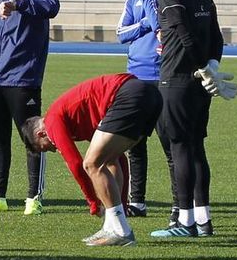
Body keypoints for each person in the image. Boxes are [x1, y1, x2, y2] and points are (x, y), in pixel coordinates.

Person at [146, 0, 229, 240]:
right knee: (196, 148)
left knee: (180, 148)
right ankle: (204, 220)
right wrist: (212, 67)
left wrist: (199, 66)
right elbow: (217, 37)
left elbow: (183, 35)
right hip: (199, 84)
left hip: (176, 81)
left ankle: (185, 220)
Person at [25, 73, 163, 247]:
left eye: (45, 146)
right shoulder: (79, 119)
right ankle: (111, 227)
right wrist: (121, 202)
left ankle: (121, 231)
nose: (52, 149)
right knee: (108, 159)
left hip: (127, 94)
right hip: (150, 94)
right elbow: (119, 160)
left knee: (92, 164)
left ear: (41, 134)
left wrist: (93, 202)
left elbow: (75, 163)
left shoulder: (52, 120)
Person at [0, 0, 59, 215]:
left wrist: (19, 5)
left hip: (23, 78)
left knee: (33, 139)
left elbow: (52, 6)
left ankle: (34, 196)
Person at [116, 0, 169, 218]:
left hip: (162, 75)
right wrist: (144, 25)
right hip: (135, 76)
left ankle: (179, 205)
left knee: (169, 141)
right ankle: (138, 201)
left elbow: (161, 23)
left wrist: (149, 21)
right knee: (134, 143)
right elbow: (120, 34)